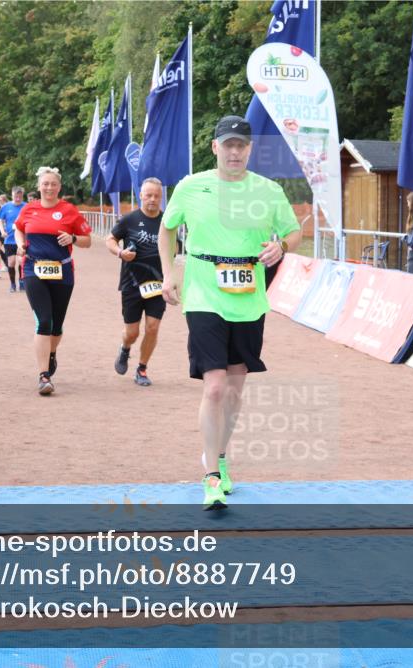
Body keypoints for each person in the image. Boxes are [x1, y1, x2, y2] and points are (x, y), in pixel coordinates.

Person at [159, 115, 302, 510]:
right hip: (203, 292)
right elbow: (167, 229)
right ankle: (209, 473)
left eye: (241, 145)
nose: (234, 151)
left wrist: (282, 248)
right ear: (215, 148)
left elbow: (294, 231)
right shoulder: (191, 187)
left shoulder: (268, 190)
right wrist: (170, 274)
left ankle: (220, 456)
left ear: (250, 149)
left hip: (249, 296)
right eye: (228, 144)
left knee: (236, 389)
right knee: (215, 386)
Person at [14, 166, 91, 395]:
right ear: (39, 186)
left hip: (63, 272)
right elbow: (18, 228)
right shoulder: (29, 209)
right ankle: (44, 376)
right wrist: (20, 244)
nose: (49, 188)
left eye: (53, 184)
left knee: (56, 327)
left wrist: (74, 237)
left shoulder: (69, 211)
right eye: (45, 184)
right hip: (33, 269)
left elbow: (87, 240)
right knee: (44, 321)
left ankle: (51, 353)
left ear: (59, 187)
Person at [107, 177, 166, 387]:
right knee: (132, 332)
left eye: (156, 196)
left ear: (161, 198)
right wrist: (121, 253)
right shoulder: (130, 219)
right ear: (141, 195)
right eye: (148, 195)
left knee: (152, 327)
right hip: (132, 284)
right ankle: (125, 348)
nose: (152, 199)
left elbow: (174, 248)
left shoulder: (167, 222)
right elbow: (110, 239)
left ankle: (142, 368)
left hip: (158, 284)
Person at [0, 187, 27, 292]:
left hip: (22, 239)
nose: (18, 198)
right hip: (9, 239)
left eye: (20, 196)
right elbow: (0, 220)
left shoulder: (26, 207)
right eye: (16, 196)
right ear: (12, 195)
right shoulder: (6, 207)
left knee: (21, 261)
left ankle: (21, 281)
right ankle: (12, 284)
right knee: (11, 263)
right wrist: (2, 231)